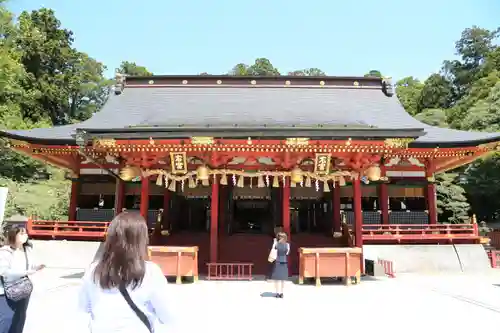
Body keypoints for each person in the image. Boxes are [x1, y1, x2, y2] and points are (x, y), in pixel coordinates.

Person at [77, 211, 173, 333]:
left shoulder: (94, 270)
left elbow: (82, 310)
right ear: (141, 240)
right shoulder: (150, 272)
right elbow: (167, 315)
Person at [0, 225, 45, 333]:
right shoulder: (5, 252)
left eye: (25, 233)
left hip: (23, 289)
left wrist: (36, 267)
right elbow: (4, 272)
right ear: (13, 235)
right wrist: (26, 272)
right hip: (6, 292)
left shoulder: (27, 250)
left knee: (19, 319)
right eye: (21, 233)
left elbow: (29, 266)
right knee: (7, 320)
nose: (25, 235)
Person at [269, 232, 290, 298]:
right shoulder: (287, 245)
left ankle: (278, 293)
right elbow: (287, 253)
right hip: (284, 261)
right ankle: (281, 293)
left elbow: (273, 250)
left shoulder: (276, 244)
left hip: (277, 261)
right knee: (282, 279)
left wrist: (275, 242)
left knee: (277, 279)